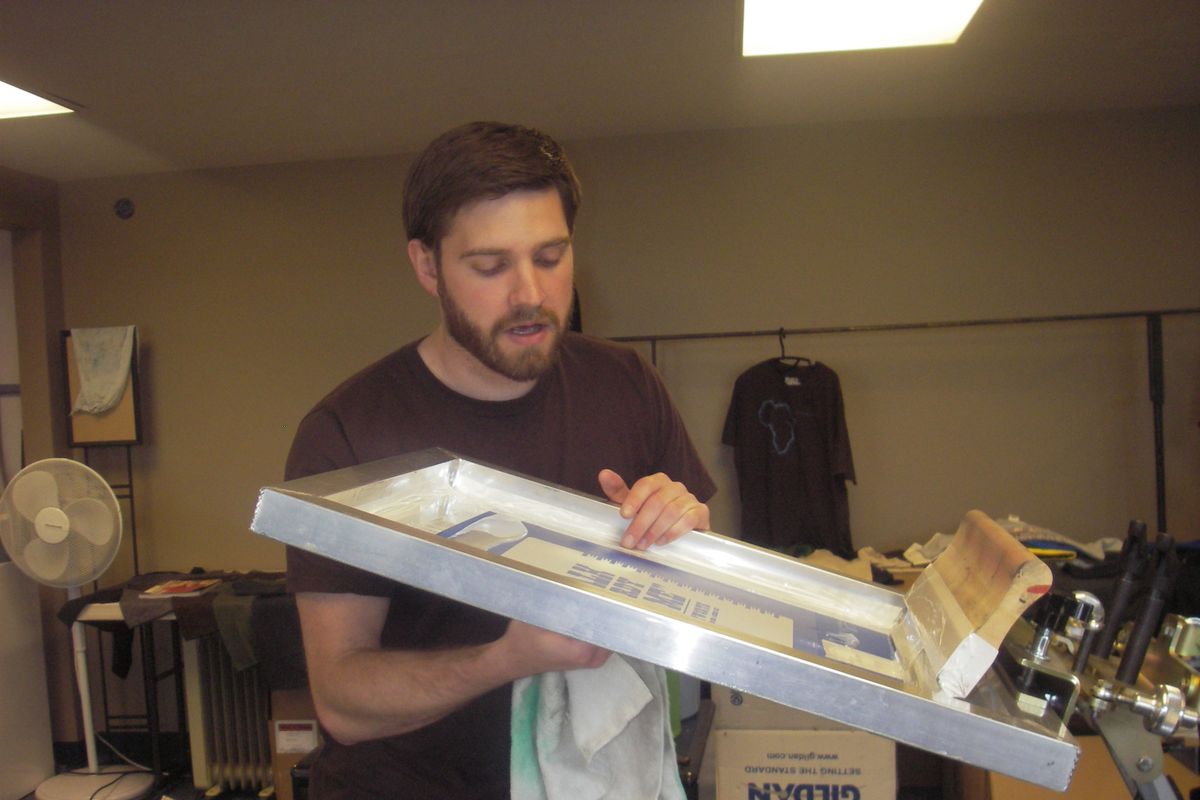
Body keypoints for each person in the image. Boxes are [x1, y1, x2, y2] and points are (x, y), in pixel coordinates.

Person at [285, 121, 716, 799]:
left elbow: (694, 597)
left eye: (550, 257)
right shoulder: (348, 435)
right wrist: (507, 659)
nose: (531, 295)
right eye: (490, 267)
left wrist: (688, 538)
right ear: (427, 267)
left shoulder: (628, 386)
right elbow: (341, 699)